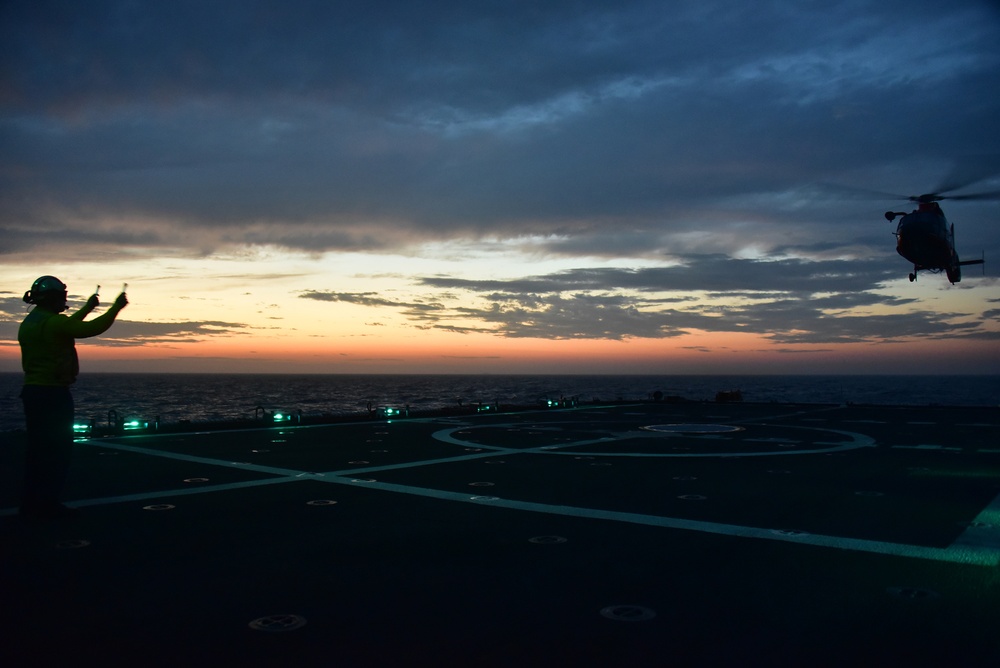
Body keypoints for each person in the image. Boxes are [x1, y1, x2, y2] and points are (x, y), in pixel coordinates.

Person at [17, 276, 128, 519]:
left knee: (37, 452)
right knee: (56, 452)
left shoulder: (31, 322)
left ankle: (30, 503)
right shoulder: (54, 323)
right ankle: (48, 505)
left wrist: (88, 307)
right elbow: (90, 329)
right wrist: (115, 308)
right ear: (54, 297)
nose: (64, 300)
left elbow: (66, 325)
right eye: (62, 296)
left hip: (33, 391)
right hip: (53, 394)